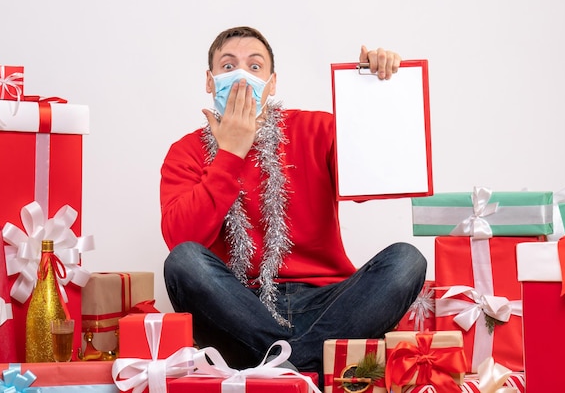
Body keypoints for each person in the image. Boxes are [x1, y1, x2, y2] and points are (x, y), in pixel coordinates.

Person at [160, 26, 426, 384]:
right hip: (240, 309)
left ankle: (282, 368)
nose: (241, 76)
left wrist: (374, 91)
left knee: (406, 260)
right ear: (210, 81)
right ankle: (310, 366)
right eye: (228, 66)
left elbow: (375, 176)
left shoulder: (316, 128)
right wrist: (231, 154)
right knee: (184, 261)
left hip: (329, 306)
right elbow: (181, 239)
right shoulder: (185, 152)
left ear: (272, 83)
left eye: (254, 67)